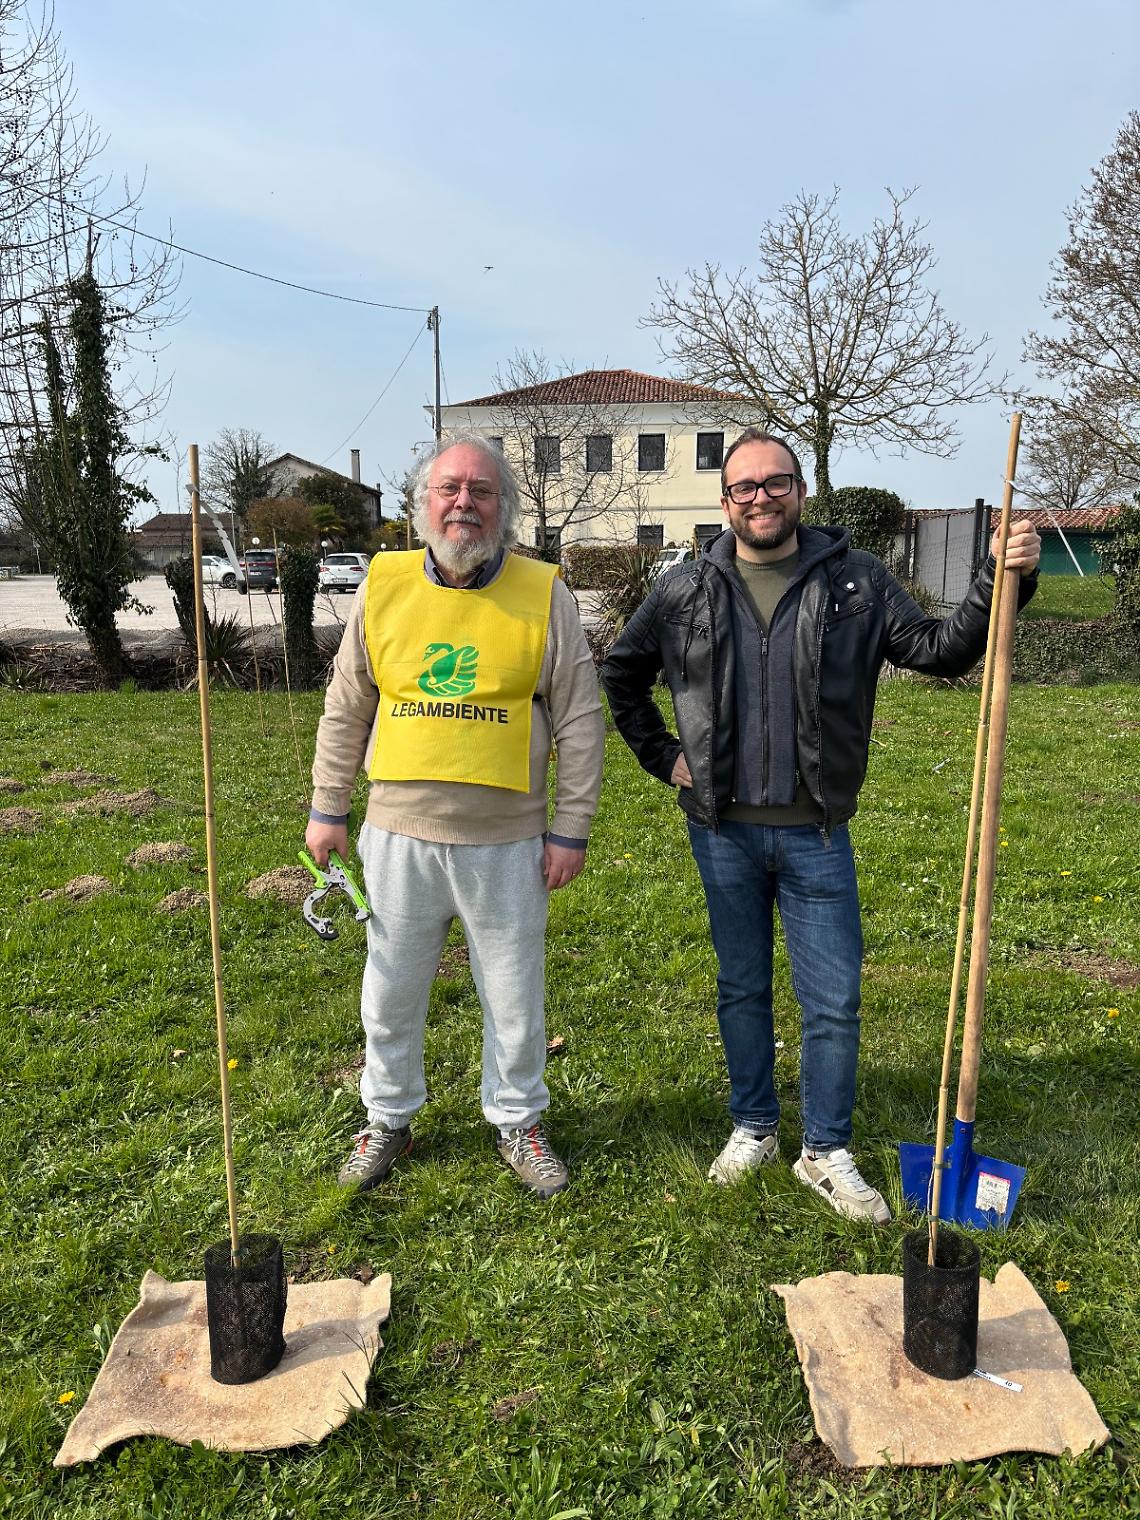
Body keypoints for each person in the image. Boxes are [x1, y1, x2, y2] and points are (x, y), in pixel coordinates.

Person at [600, 429, 1040, 1223]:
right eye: (744, 487)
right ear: (724, 501)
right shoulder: (685, 589)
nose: (761, 498)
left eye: (777, 483)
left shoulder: (858, 583)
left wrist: (999, 580)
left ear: (800, 491)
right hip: (722, 831)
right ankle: (755, 1126)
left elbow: (941, 651)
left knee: (833, 1000)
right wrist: (662, 755)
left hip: (818, 834)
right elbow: (621, 672)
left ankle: (825, 1149)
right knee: (743, 987)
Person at [306, 432, 604, 1199]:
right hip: (397, 834)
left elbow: (579, 719)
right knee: (391, 990)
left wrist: (570, 827)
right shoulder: (385, 583)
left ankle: (518, 1122)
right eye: (449, 489)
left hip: (507, 842)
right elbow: (347, 705)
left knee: (513, 993)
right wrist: (327, 808)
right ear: (423, 504)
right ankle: (386, 1119)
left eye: (480, 490)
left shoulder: (545, 593)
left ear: (503, 508)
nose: (464, 503)